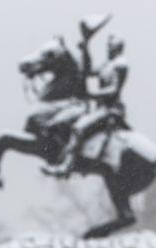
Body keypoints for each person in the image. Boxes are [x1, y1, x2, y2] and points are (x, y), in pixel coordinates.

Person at [42, 22, 129, 179]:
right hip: (100, 108)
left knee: (79, 127)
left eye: (111, 45)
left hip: (110, 109)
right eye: (108, 45)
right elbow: (88, 71)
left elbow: (114, 89)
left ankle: (67, 166)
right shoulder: (107, 64)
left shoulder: (120, 64)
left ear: (117, 46)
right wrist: (86, 48)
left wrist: (94, 94)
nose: (108, 47)